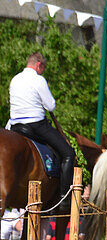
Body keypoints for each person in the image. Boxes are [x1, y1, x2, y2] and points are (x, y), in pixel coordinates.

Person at [7, 52, 75, 210]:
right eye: (43, 68)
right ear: (39, 65)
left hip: (15, 125)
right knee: (68, 153)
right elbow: (50, 106)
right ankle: (65, 200)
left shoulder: (15, 79)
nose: (42, 71)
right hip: (35, 125)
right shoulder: (38, 80)